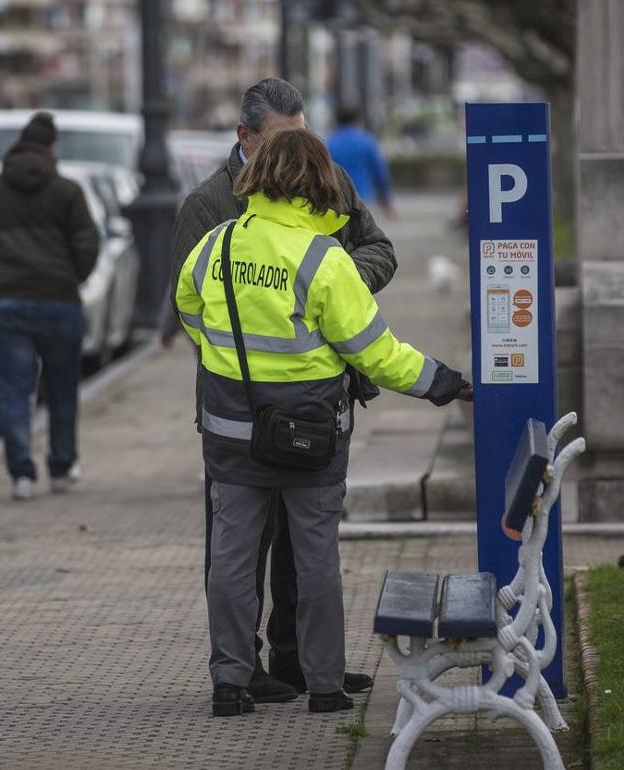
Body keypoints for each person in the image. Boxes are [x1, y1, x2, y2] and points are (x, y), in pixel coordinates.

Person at [175, 127, 472, 716]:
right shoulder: (324, 259)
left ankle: (230, 683)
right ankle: (326, 687)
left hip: (230, 433)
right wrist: (445, 383)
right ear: (317, 182)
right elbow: (376, 352)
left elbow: (188, 305)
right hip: (310, 435)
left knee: (232, 561)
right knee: (314, 562)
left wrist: (227, 361)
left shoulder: (217, 245)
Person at [165, 77, 396, 705]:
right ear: (245, 138)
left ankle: (302, 663)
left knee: (306, 550)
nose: (295, 157)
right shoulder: (208, 205)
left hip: (318, 400)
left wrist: (337, 289)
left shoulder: (330, 179)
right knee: (241, 549)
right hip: (238, 410)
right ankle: (246, 669)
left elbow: (378, 248)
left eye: (301, 140)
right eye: (280, 142)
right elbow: (192, 307)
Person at [0, 112, 101, 500]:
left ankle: (21, 474)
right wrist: (75, 276)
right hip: (60, 303)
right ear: (51, 146)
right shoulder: (67, 192)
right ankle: (60, 467)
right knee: (61, 391)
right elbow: (89, 242)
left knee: (14, 392)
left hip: (10, 304)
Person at [325, 105, 394, 216]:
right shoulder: (366, 141)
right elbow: (379, 172)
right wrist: (385, 200)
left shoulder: (329, 143)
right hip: (364, 197)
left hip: (337, 200)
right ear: (357, 120)